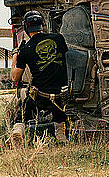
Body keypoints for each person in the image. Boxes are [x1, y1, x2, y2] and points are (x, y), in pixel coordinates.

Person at [10, 10, 69, 143]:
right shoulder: (59, 39)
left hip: (41, 96)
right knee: (59, 110)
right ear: (42, 24)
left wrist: (15, 55)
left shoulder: (26, 48)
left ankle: (18, 131)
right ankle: (61, 137)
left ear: (26, 27)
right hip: (61, 95)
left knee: (24, 111)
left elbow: (15, 77)